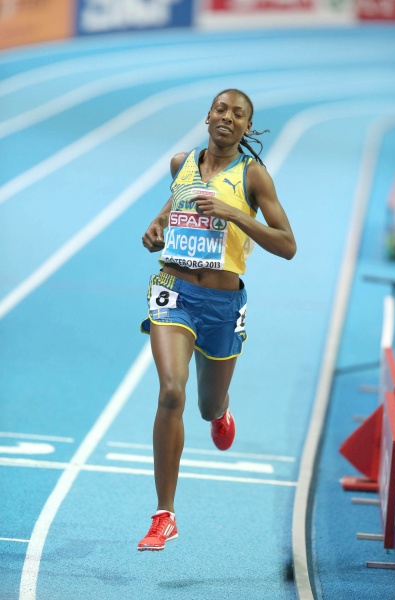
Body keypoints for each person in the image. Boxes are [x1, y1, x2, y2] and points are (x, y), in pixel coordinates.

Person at [137, 89, 296, 551]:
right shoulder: (181, 164)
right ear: (208, 117)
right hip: (173, 290)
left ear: (247, 127)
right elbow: (172, 209)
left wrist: (232, 212)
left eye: (238, 114)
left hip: (223, 305)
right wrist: (157, 228)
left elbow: (287, 244)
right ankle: (164, 515)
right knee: (172, 392)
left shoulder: (254, 177)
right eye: (221, 110)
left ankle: (221, 411)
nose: (228, 117)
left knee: (206, 406)